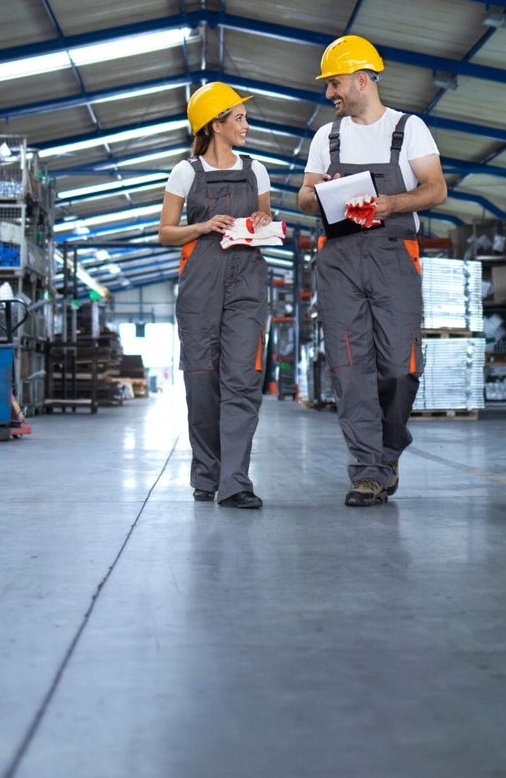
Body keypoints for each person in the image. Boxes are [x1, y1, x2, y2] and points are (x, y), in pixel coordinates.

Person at [297, 35, 446, 507]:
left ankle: (388, 446)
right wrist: (322, 190)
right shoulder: (327, 137)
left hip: (393, 253)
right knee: (348, 366)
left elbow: (436, 189)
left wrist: (391, 204)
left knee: (400, 366)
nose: (330, 94)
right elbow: (302, 198)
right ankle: (367, 470)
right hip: (339, 257)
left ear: (362, 80)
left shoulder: (409, 129)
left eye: (335, 83)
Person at [159, 81, 273, 510]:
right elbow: (166, 232)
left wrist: (263, 217)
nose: (246, 124)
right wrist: (203, 227)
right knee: (202, 380)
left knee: (242, 379)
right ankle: (206, 473)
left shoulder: (255, 168)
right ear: (216, 124)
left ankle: (235, 481)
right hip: (200, 282)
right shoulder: (185, 172)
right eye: (239, 118)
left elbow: (265, 216)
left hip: (247, 278)